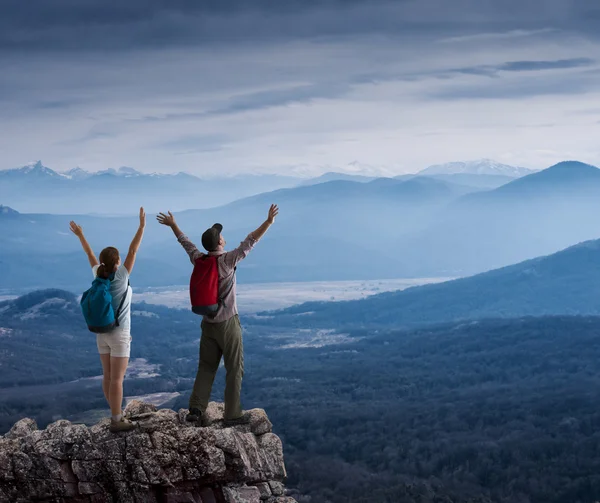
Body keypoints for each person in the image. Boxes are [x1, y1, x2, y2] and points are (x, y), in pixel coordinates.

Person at [157, 204, 279, 425]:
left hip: (207, 323)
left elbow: (186, 243)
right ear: (220, 243)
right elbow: (250, 241)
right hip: (228, 323)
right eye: (221, 236)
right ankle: (232, 414)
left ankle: (196, 408)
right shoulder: (227, 261)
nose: (223, 237)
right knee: (234, 368)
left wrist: (173, 225)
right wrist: (268, 222)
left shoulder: (199, 259)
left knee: (206, 366)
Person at [70, 207, 146, 432]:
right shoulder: (121, 275)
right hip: (120, 334)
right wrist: (141, 226)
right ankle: (116, 419)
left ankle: (115, 412)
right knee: (118, 380)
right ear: (117, 263)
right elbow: (133, 249)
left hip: (101, 333)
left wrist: (81, 235)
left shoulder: (98, 274)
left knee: (108, 376)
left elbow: (89, 254)